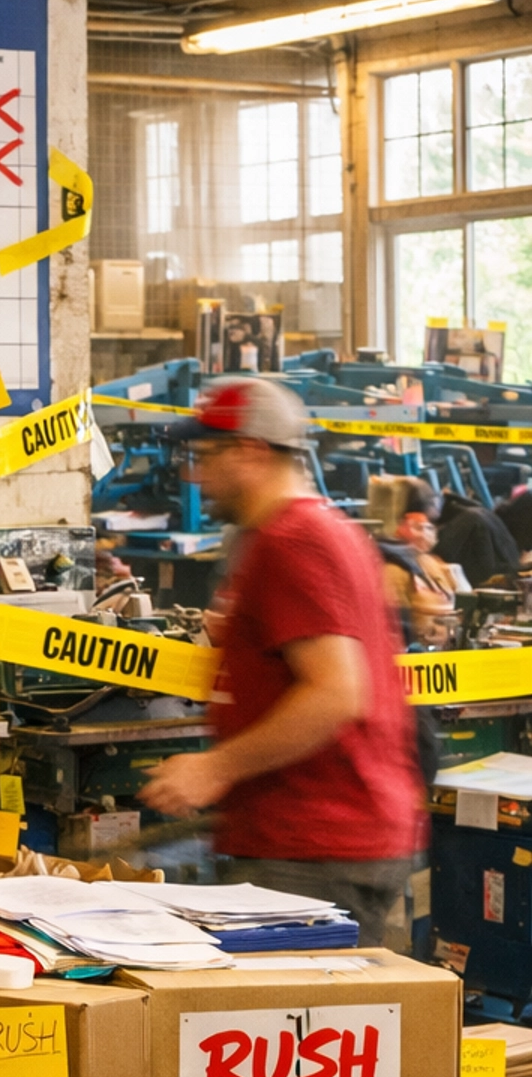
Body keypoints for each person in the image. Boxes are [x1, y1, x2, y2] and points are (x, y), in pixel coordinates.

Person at [141, 374, 425, 946]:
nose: (194, 476)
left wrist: (215, 769)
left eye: (205, 456)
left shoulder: (292, 540)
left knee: (289, 1004)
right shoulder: (309, 531)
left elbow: (335, 692)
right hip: (309, 835)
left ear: (250, 450)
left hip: (314, 844)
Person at [379, 480, 458, 643]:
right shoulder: (393, 571)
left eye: (428, 526)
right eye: (417, 526)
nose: (424, 532)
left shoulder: (431, 562)